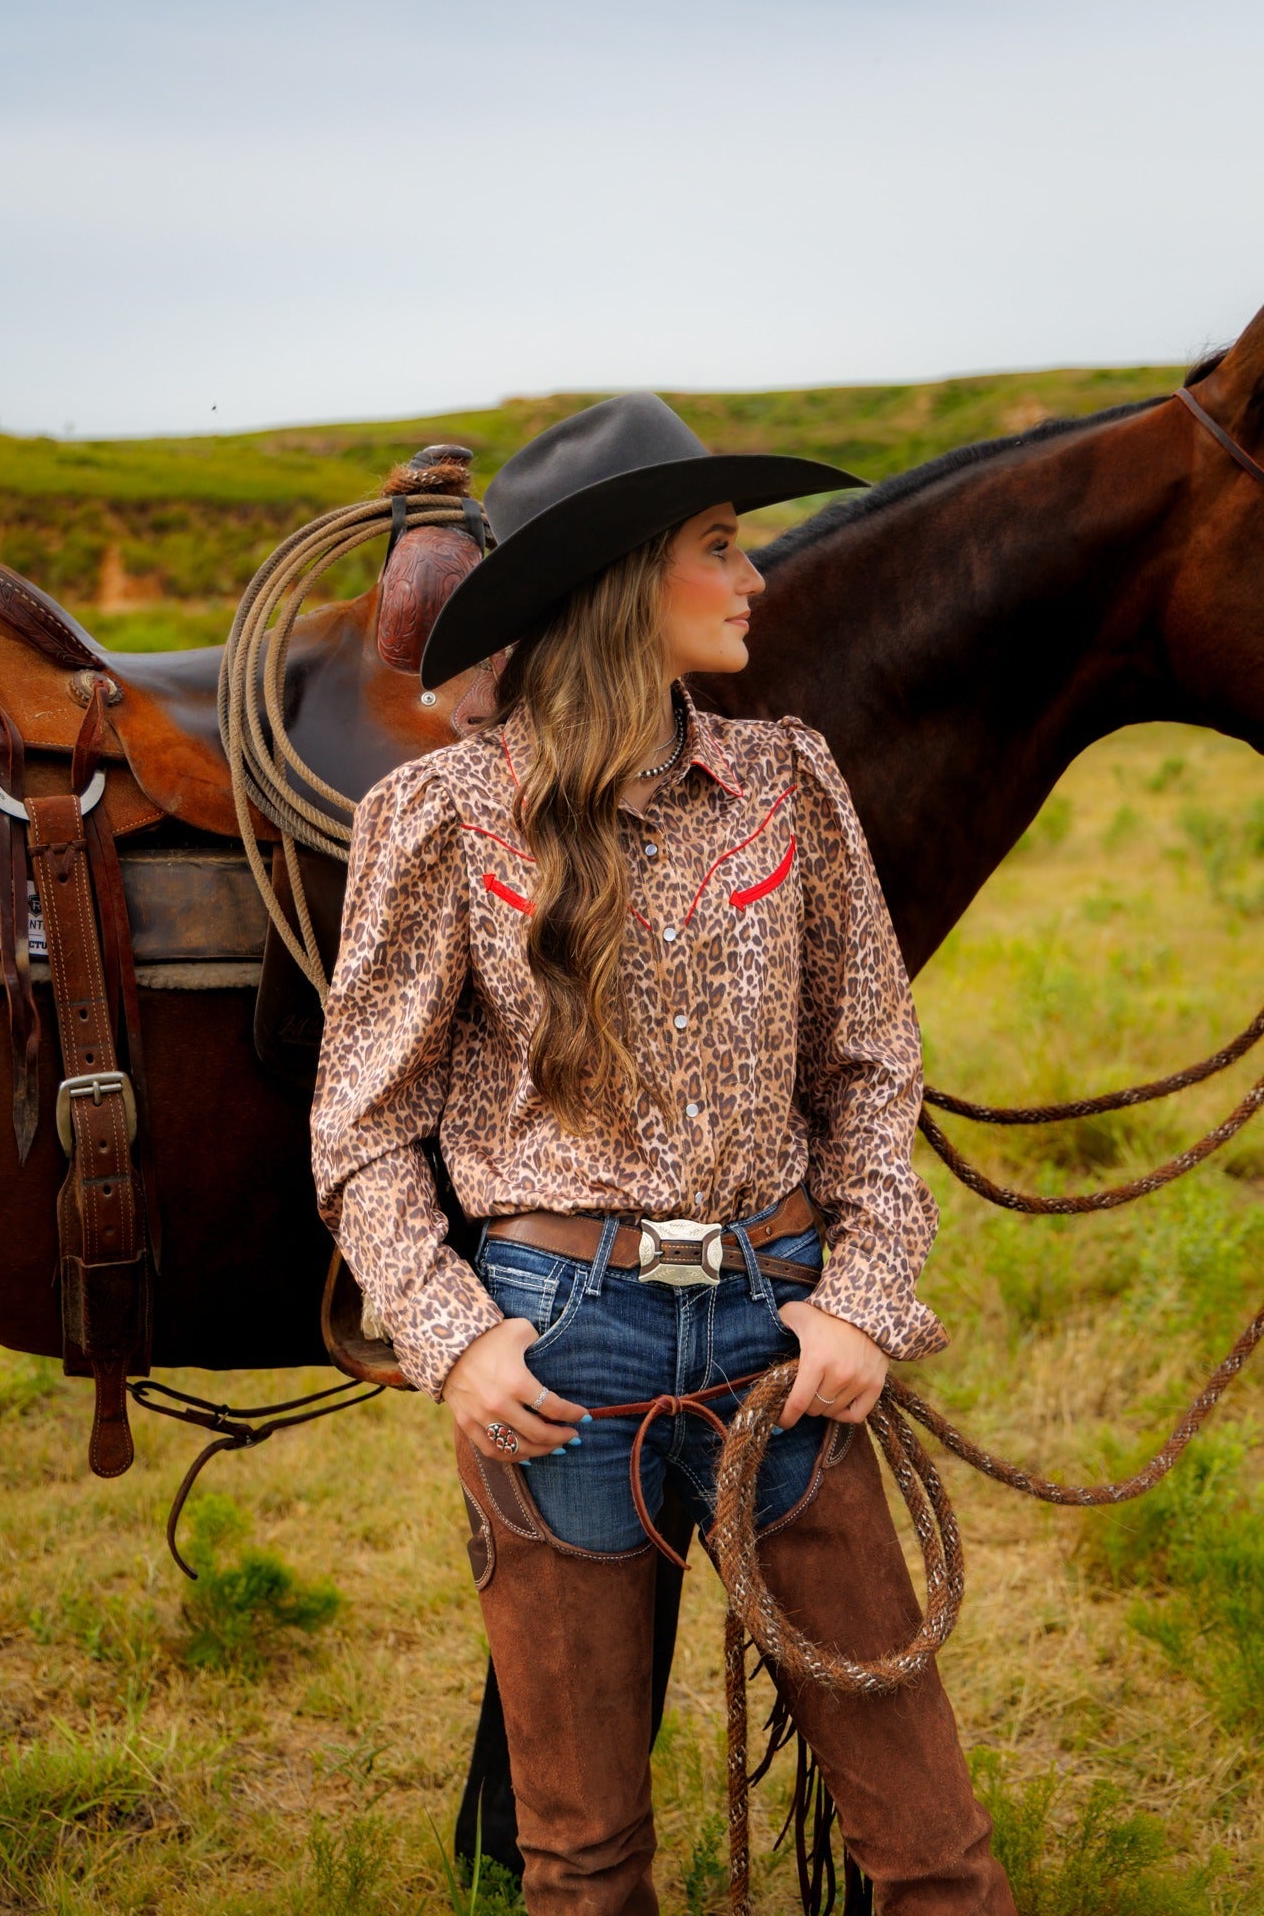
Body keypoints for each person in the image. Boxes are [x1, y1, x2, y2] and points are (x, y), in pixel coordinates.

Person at [311, 394, 1015, 1914]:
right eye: (717, 546)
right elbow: (364, 1128)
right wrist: (451, 1341)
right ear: (625, 578)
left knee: (931, 1848)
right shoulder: (434, 818)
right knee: (581, 1856)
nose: (754, 575)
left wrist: (862, 1299)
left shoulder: (789, 780)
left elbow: (869, 1069)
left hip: (783, 1325)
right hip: (557, 1355)